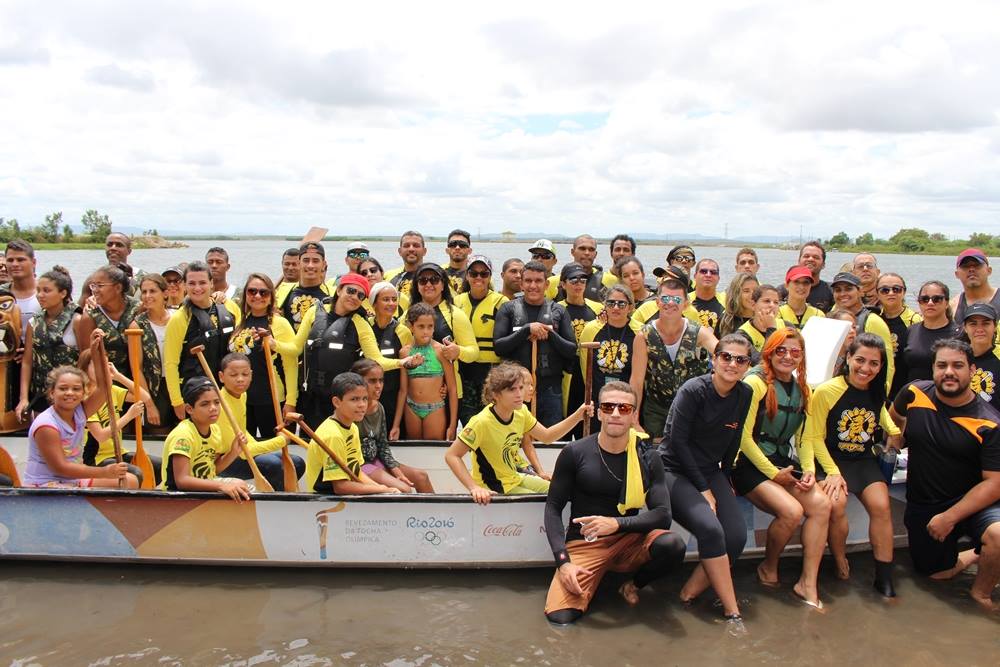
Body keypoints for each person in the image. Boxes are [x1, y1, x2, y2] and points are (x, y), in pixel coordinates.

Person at [543, 381, 686, 625]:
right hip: (585, 543)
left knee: (672, 545)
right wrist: (564, 563)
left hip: (629, 539)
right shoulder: (575, 452)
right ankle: (589, 578)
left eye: (624, 408)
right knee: (560, 619)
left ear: (634, 415)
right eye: (609, 407)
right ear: (599, 413)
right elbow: (553, 508)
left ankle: (633, 585)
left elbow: (663, 515)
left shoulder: (647, 456)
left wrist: (616, 524)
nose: (616, 414)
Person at [888, 339, 1000, 611]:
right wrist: (894, 443)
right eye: (942, 365)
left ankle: (981, 593)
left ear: (972, 371)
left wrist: (950, 517)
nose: (949, 371)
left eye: (958, 365)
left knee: (999, 535)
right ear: (933, 369)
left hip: (974, 503)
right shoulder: (914, 393)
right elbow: (892, 419)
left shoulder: (990, 422)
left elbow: (995, 483)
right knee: (935, 575)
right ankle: (975, 554)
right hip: (925, 502)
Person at [659, 334, 756, 625]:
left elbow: (734, 437)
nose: (732, 364)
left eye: (740, 360)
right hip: (674, 469)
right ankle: (732, 611)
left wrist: (724, 477)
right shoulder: (693, 390)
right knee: (712, 530)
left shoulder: (745, 394)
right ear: (714, 359)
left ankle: (688, 592)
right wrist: (704, 489)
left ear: (747, 366)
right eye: (726, 357)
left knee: (737, 536)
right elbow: (677, 442)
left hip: (710, 470)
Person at [731, 328, 831, 608]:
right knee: (791, 511)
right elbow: (743, 437)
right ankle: (769, 565)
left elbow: (805, 437)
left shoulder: (802, 389)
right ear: (769, 352)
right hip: (748, 464)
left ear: (802, 357)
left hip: (781, 462)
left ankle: (808, 583)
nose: (788, 357)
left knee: (822, 505)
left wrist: (809, 469)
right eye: (781, 350)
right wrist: (772, 473)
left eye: (795, 352)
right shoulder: (756, 384)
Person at [806, 333, 902, 596]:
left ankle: (884, 576)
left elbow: (885, 422)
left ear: (881, 367)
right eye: (860, 360)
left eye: (874, 363)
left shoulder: (875, 391)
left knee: (882, 507)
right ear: (848, 358)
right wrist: (833, 472)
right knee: (836, 506)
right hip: (831, 459)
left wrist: (896, 437)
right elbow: (813, 436)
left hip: (862, 460)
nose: (866, 368)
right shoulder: (827, 391)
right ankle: (840, 560)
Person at [444, 363, 592, 502]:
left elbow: (547, 436)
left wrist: (578, 416)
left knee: (565, 490)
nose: (519, 394)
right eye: (511, 389)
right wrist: (474, 488)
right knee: (543, 501)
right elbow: (452, 455)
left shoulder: (521, 412)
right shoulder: (481, 422)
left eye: (521, 388)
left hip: (515, 477)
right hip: (494, 486)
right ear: (495, 394)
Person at [295, 273, 409, 429]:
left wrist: (403, 362)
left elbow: (377, 360)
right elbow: (294, 348)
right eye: (350, 291)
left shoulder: (361, 324)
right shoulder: (315, 311)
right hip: (310, 395)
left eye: (360, 295)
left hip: (342, 399)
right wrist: (273, 343)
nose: (354, 297)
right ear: (339, 290)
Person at [24, 359, 138, 489]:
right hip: (46, 483)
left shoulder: (79, 412)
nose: (70, 393)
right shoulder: (46, 425)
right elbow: (60, 468)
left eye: (76, 389)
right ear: (52, 392)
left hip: (73, 479)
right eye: (63, 388)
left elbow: (104, 387)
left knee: (130, 481)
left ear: (84, 393)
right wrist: (104, 472)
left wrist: (96, 351)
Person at [630, 277, 716, 440]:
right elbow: (636, 381)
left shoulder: (699, 332)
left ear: (686, 303)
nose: (670, 303)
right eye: (665, 298)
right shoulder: (644, 336)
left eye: (676, 299)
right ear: (657, 302)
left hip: (693, 407)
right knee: (657, 454)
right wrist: (634, 420)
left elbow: (721, 353)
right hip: (656, 408)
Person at [494, 261, 578, 426]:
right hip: (515, 389)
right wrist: (526, 330)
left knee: (550, 440)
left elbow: (571, 350)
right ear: (522, 283)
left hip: (550, 389)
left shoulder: (558, 311)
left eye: (538, 281)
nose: (533, 285)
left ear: (546, 284)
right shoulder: (508, 309)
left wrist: (550, 333)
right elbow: (499, 347)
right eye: (528, 281)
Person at [163, 261, 241, 421]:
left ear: (212, 283)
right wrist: (177, 402)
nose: (197, 288)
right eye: (191, 283)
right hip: (196, 394)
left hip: (226, 391)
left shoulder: (230, 308)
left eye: (202, 282)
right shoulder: (180, 318)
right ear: (184, 285)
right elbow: (170, 363)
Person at [214, 352, 304, 489]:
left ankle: (279, 497)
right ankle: (273, 501)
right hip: (225, 460)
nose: (240, 379)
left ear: (251, 375)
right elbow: (241, 450)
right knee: (273, 465)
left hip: (243, 454)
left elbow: (242, 431)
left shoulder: (242, 395)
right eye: (233, 375)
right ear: (221, 377)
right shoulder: (220, 406)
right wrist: (280, 441)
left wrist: (261, 448)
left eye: (245, 374)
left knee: (298, 462)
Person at [78, 264, 162, 409]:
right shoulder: (90, 317)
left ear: (117, 288)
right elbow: (87, 359)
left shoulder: (139, 308)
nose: (95, 291)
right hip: (108, 387)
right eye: (93, 286)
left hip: (141, 381)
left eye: (100, 286)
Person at [303, 371, 402, 495]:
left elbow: (357, 471)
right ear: (337, 402)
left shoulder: (353, 428)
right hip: (324, 501)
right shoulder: (333, 435)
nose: (362, 405)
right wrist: (381, 489)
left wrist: (384, 490)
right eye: (354, 399)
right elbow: (340, 487)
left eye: (364, 399)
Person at [227, 273, 299, 439]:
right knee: (244, 450)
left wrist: (291, 402)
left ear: (271, 296)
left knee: (274, 452)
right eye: (252, 291)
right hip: (241, 399)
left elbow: (291, 365)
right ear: (245, 294)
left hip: (270, 399)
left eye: (263, 292)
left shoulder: (279, 323)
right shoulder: (239, 321)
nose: (257, 296)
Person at [160, 376, 251, 501]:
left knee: (242, 486)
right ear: (189, 409)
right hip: (179, 496)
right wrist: (221, 485)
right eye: (205, 404)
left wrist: (233, 453)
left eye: (217, 402)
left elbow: (213, 469)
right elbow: (182, 480)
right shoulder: (183, 436)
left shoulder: (215, 430)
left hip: (204, 490)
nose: (213, 408)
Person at [352, 359, 434, 492]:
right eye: (372, 381)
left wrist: (398, 473)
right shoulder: (351, 410)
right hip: (359, 465)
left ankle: (433, 513)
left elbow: (383, 446)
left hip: (377, 460)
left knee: (421, 477)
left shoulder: (379, 408)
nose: (378, 385)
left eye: (381, 380)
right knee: (404, 489)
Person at [81, 349, 157, 486]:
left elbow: (144, 397)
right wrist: (129, 416)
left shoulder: (112, 390)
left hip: (119, 453)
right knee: (136, 473)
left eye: (104, 364)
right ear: (85, 368)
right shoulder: (86, 398)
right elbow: (101, 436)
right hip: (97, 459)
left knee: (158, 466)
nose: (102, 368)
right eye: (97, 364)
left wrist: (118, 376)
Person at [17, 267, 83, 419]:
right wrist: (24, 398)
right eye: (38, 290)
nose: (40, 295)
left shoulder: (77, 320)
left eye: (46, 290)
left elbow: (85, 357)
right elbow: (27, 362)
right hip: (41, 394)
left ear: (63, 293)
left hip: (70, 396)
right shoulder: (34, 322)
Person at [454, 255, 508, 425]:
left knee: (491, 418)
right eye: (474, 273)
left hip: (490, 370)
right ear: (467, 275)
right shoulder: (456, 301)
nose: (478, 278)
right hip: (463, 368)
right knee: (468, 417)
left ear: (490, 276)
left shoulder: (501, 302)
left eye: (484, 274)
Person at [395, 303, 458, 441]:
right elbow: (403, 390)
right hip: (411, 408)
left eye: (430, 326)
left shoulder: (441, 351)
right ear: (411, 327)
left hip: (435, 409)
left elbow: (453, 389)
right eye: (421, 326)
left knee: (433, 451)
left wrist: (452, 425)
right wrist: (396, 425)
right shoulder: (404, 352)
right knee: (415, 452)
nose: (426, 331)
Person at [578, 286, 636, 433]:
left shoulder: (639, 332)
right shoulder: (591, 329)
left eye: (621, 304)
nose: (616, 307)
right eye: (611, 303)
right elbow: (585, 364)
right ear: (605, 305)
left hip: (626, 401)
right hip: (598, 399)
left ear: (630, 307)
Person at [366, 281, 420, 433]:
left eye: (394, 299)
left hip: (392, 398)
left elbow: (410, 372)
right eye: (385, 299)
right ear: (374, 303)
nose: (391, 303)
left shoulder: (402, 332)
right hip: (364, 398)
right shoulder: (364, 327)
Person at [558, 262, 603, 435]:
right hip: (567, 369)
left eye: (583, 279)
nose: (578, 283)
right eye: (573, 279)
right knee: (567, 418)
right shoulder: (557, 308)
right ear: (563, 283)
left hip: (590, 367)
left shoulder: (597, 308)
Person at [830, 271, 895, 390]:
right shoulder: (832, 318)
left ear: (860, 291)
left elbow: (888, 364)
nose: (843, 294)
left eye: (848, 289)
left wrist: (882, 395)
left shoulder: (873, 320)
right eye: (838, 290)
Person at [135, 273, 174, 432]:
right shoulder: (137, 324)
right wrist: (149, 404)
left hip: (177, 385)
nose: (147, 296)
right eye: (144, 292)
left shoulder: (178, 317)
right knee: (159, 432)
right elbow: (136, 369)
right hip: (154, 389)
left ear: (165, 293)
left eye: (152, 291)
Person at [875, 273, 921, 401]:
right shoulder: (874, 319)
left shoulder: (914, 320)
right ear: (877, 294)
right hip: (880, 385)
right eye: (885, 290)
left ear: (903, 292)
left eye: (896, 289)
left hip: (906, 386)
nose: (891, 293)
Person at [904, 280, 958, 384]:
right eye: (924, 299)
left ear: (946, 303)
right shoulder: (911, 331)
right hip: (914, 395)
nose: (930, 303)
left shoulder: (959, 334)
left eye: (936, 299)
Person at [276, 241, 335, 332]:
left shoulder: (334, 294)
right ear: (299, 263)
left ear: (323, 265)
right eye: (306, 260)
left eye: (315, 261)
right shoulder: (282, 293)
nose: (310, 265)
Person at [779, 241, 833, 313]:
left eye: (816, 257)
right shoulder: (781, 291)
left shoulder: (832, 291)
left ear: (823, 264)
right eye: (806, 256)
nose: (810, 259)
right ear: (799, 261)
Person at [961, 303, 1000, 404]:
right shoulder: (956, 357)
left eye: (986, 323)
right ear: (965, 328)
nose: (979, 329)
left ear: (995, 326)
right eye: (973, 324)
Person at [952, 248, 1000, 322]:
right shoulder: (952, 307)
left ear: (989, 270)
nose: (971, 269)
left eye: (977, 265)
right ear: (957, 274)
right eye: (965, 266)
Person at [3, 239, 39, 337]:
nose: (15, 264)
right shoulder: (2, 295)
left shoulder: (48, 292)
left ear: (34, 262)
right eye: (10, 260)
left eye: (20, 260)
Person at [736, 284, 785, 355]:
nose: (772, 305)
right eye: (767, 301)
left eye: (776, 302)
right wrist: (771, 328)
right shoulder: (741, 336)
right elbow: (761, 363)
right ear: (753, 305)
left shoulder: (786, 326)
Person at [385, 231, 429, 300]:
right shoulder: (388, 276)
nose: (411, 249)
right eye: (406, 246)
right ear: (400, 251)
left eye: (416, 245)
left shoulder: (434, 277)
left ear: (424, 251)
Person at [779, 265, 825, 330]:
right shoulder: (776, 313)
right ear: (786, 286)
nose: (801, 287)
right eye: (796, 282)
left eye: (806, 283)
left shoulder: (818, 315)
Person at [689, 259, 725, 335]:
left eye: (713, 272)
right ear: (695, 276)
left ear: (718, 278)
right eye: (703, 271)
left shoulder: (727, 303)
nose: (708, 275)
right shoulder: (684, 301)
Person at [718, 272, 759, 337]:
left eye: (755, 290)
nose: (752, 295)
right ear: (736, 294)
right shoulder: (726, 320)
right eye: (746, 291)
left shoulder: (764, 320)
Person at [444, 229, 472, 294]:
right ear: (447, 250)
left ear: (469, 251)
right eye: (453, 244)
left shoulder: (479, 274)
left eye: (462, 245)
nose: (457, 247)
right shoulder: (439, 272)